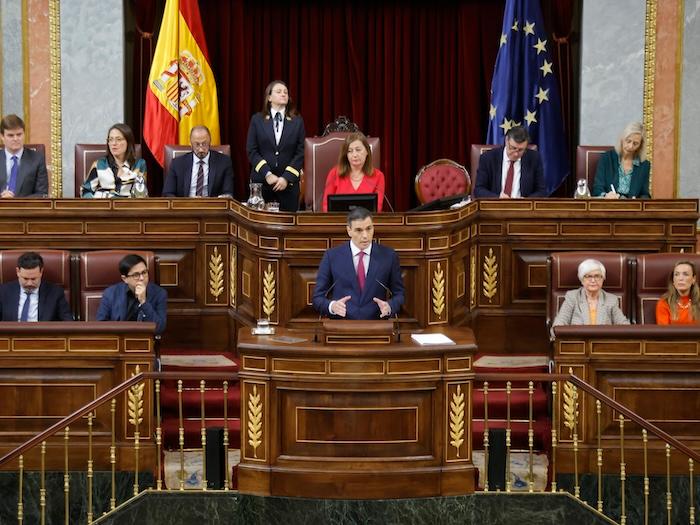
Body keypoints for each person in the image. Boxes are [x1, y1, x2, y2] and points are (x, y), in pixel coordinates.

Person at [312, 207, 404, 320]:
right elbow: (317, 298)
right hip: (342, 326)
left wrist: (389, 306)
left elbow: (399, 294)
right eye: (359, 230)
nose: (365, 235)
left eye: (369, 229)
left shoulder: (388, 256)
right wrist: (332, 306)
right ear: (349, 230)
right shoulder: (332, 256)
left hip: (376, 326)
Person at [246, 80, 305, 212]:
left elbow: (300, 153)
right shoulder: (257, 120)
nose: (283, 94)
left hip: (288, 184)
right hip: (262, 181)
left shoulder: (297, 121)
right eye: (278, 92)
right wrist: (267, 174)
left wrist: (286, 178)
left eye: (286, 92)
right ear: (269, 97)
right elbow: (252, 150)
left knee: (288, 225)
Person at [96, 254, 167, 334]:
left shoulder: (159, 293)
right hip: (117, 340)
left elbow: (159, 328)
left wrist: (144, 302)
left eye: (144, 272)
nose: (142, 278)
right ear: (125, 279)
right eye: (136, 275)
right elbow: (101, 325)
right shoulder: (110, 293)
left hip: (145, 341)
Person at [552, 259, 629, 331]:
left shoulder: (611, 299)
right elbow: (559, 324)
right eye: (588, 276)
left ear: (603, 279)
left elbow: (624, 326)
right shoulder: (572, 297)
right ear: (582, 280)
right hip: (578, 342)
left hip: (603, 343)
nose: (593, 280)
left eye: (597, 276)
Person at [474, 126, 547, 199]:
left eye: (521, 150)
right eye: (513, 148)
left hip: (523, 208)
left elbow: (542, 191)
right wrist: (498, 198)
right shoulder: (488, 158)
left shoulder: (534, 158)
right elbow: (479, 190)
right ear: (506, 141)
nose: (516, 154)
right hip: (496, 207)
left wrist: (526, 201)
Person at [162, 125, 234, 198]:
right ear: (191, 144)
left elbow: (228, 192)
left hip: (212, 207)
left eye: (204, 144)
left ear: (210, 142)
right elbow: (168, 193)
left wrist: (225, 197)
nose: (201, 149)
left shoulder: (224, 162)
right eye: (197, 144)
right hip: (186, 207)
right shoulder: (177, 164)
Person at [321, 132, 385, 212]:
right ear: (346, 155)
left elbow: (377, 208)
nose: (354, 155)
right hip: (339, 222)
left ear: (367, 151)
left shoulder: (378, 176)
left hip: (366, 222)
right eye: (350, 151)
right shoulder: (334, 173)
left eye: (358, 150)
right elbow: (326, 206)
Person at [0, 252, 72, 321]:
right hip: (11, 333)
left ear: (41, 272)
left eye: (34, 279)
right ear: (17, 272)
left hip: (43, 333)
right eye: (25, 278)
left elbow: (68, 322)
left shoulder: (55, 293)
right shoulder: (3, 291)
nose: (29, 283)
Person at [81, 123, 147, 198]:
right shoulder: (99, 164)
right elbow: (85, 191)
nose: (114, 143)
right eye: (111, 140)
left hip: (126, 207)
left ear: (128, 142)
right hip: (103, 206)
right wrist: (95, 206)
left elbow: (141, 194)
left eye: (118, 139)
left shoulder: (139, 164)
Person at [593, 121, 650, 199]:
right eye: (628, 141)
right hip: (608, 205)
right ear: (622, 139)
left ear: (640, 145)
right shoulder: (606, 158)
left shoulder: (644, 165)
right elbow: (597, 189)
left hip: (632, 209)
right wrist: (606, 196)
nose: (630, 146)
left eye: (635, 143)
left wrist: (638, 201)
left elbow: (645, 194)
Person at [0, 114, 48, 198]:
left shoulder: (37, 159)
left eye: (19, 134)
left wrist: (16, 202)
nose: (16, 139)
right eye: (10, 135)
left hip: (26, 210)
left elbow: (42, 194)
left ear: (24, 134)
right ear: (2, 137)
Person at [655, 261, 700, 325]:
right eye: (676, 274)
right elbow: (663, 332)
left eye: (685, 274)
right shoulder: (664, 303)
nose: (680, 278)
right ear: (673, 280)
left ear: (693, 279)